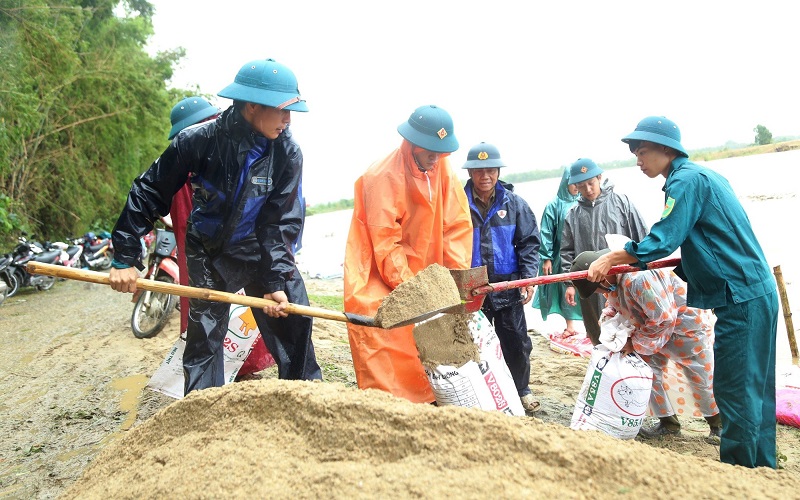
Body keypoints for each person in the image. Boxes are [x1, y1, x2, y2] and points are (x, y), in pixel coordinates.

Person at [109, 58, 322, 395]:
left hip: (259, 248)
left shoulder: (287, 152)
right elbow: (148, 191)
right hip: (209, 249)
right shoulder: (198, 140)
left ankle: (305, 396)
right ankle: (203, 405)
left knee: (293, 318)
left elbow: (280, 221)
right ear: (252, 105)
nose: (288, 119)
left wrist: (274, 279)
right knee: (205, 334)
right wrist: (124, 257)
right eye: (282, 109)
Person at [587, 116, 778, 469]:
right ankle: (762, 468)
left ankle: (740, 471)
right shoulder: (702, 176)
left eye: (642, 151)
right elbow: (705, 240)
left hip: (741, 297)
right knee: (755, 390)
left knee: (735, 391)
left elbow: (664, 238)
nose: (638, 160)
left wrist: (615, 255)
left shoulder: (685, 182)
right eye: (634, 153)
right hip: (752, 291)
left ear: (666, 149)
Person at [343, 104, 473, 404]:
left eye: (441, 151)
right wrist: (415, 291)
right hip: (376, 274)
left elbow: (456, 226)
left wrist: (453, 279)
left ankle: (434, 399)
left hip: (428, 272)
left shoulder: (440, 168)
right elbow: (385, 243)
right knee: (384, 342)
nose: (436, 156)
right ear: (413, 142)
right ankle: (391, 409)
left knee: (436, 344)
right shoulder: (382, 176)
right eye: (430, 150)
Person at [571, 249, 721, 439]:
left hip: (685, 327)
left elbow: (664, 318)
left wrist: (635, 343)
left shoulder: (637, 279)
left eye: (598, 289)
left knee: (699, 375)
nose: (600, 293)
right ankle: (669, 423)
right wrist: (609, 315)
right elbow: (615, 300)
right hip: (650, 328)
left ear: (603, 278)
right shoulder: (612, 279)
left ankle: (718, 424)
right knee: (649, 372)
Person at [462, 142, 542, 413]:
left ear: (498, 171)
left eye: (491, 170)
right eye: (479, 171)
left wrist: (529, 278)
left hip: (507, 286)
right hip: (470, 289)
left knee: (516, 342)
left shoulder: (515, 204)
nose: (485, 176)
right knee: (471, 344)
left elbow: (530, 243)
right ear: (470, 173)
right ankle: (478, 392)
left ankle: (522, 389)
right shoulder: (457, 204)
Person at [559, 158, 649, 345]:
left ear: (600, 177)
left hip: (623, 279)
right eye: (582, 186)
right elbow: (567, 251)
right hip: (591, 282)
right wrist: (570, 283)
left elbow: (642, 237)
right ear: (576, 187)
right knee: (597, 326)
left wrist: (645, 270)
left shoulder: (622, 203)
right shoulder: (573, 214)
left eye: (591, 183)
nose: (588, 190)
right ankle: (602, 357)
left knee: (630, 323)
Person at [167, 96, 222, 335]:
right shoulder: (206, 157)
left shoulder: (177, 160)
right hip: (210, 245)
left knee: (203, 304)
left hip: (192, 247)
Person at [532, 167, 583, 335]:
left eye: (578, 182)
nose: (576, 186)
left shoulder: (583, 201)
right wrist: (546, 257)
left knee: (587, 288)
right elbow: (546, 232)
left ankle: (592, 325)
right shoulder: (554, 205)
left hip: (582, 253)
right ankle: (570, 326)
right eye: (572, 183)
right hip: (560, 255)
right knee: (564, 288)